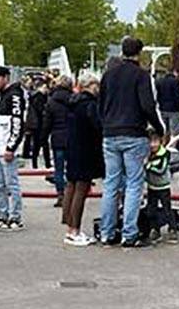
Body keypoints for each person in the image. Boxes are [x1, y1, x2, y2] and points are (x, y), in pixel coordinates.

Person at [98, 36, 164, 248]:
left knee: (111, 183)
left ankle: (107, 233)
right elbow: (147, 104)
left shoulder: (108, 75)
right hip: (134, 133)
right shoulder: (141, 76)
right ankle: (129, 233)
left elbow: (101, 104)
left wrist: (106, 124)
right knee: (134, 184)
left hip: (110, 133)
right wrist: (158, 128)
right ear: (139, 53)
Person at [61, 71, 105, 246]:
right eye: (96, 85)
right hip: (86, 150)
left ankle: (69, 226)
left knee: (71, 187)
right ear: (90, 86)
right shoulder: (90, 104)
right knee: (82, 189)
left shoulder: (72, 103)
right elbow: (97, 126)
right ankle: (75, 230)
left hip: (72, 149)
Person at [0, 66, 27, 232]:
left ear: (5, 78)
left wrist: (11, 146)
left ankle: (15, 216)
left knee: (12, 183)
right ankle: (2, 214)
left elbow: (18, 123)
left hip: (5, 147)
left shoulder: (15, 96)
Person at [43, 74, 72, 207]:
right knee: (72, 169)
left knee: (58, 169)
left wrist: (43, 137)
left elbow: (47, 123)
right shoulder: (74, 100)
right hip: (72, 137)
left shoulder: (51, 101)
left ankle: (60, 195)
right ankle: (71, 194)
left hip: (57, 138)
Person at [144, 129, 178, 244]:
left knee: (167, 209)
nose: (152, 145)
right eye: (150, 142)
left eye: (155, 141)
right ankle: (155, 229)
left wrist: (148, 166)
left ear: (161, 141)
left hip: (163, 187)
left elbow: (161, 169)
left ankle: (173, 229)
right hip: (152, 186)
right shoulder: (148, 154)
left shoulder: (165, 154)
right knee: (151, 210)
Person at [24, 75, 51, 170]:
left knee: (37, 144)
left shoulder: (34, 96)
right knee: (43, 144)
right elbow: (40, 110)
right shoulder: (40, 97)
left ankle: (35, 163)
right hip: (39, 123)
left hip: (34, 123)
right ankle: (46, 163)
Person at [155, 68, 179, 136]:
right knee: (174, 131)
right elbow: (177, 96)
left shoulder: (159, 81)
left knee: (165, 130)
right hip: (174, 109)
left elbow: (157, 95)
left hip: (163, 108)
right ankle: (172, 145)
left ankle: (164, 144)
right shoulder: (175, 81)